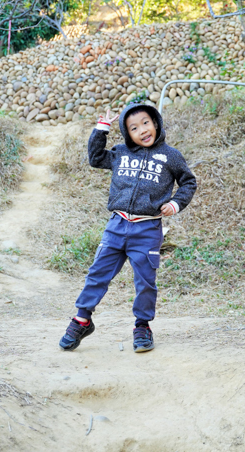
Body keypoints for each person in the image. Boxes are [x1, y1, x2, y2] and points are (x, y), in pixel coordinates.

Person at [59, 101, 197, 353]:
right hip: (116, 226)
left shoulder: (170, 156)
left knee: (145, 281)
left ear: (155, 123)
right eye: (134, 127)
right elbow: (96, 158)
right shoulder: (121, 153)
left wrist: (176, 204)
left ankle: (142, 326)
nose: (142, 130)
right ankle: (82, 319)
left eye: (146, 123)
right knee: (97, 273)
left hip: (147, 230)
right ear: (127, 133)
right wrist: (101, 129)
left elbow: (188, 182)